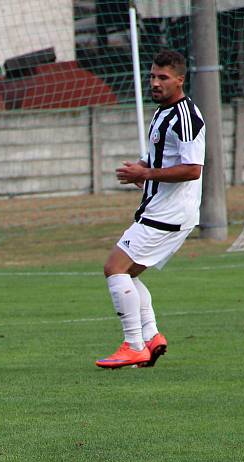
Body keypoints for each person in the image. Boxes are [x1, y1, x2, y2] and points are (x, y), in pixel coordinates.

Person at [96, 50, 205, 369]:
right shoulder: (162, 113)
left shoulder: (187, 118)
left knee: (114, 267)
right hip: (158, 209)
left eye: (163, 78)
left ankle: (133, 345)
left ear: (179, 80)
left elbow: (192, 169)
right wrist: (142, 167)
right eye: (152, 77)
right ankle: (151, 337)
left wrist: (145, 174)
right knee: (127, 273)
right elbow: (163, 160)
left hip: (168, 214)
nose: (155, 83)